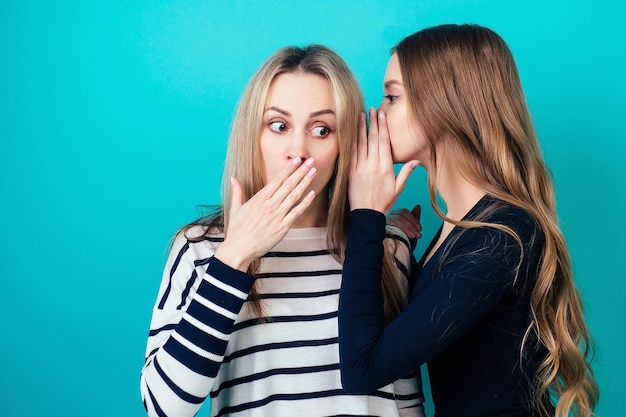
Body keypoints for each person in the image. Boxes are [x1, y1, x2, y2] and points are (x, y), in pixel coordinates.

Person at [140, 44, 425, 417]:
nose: (298, 150)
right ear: (253, 134)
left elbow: (405, 401)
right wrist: (233, 256)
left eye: (322, 129)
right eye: (279, 126)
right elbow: (165, 407)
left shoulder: (387, 248)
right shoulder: (200, 250)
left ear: (345, 145)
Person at [338, 24, 599, 417]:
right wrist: (391, 235)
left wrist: (366, 215)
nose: (378, 112)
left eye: (392, 96)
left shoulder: (502, 235)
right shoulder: (459, 227)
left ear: (445, 104)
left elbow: (363, 368)